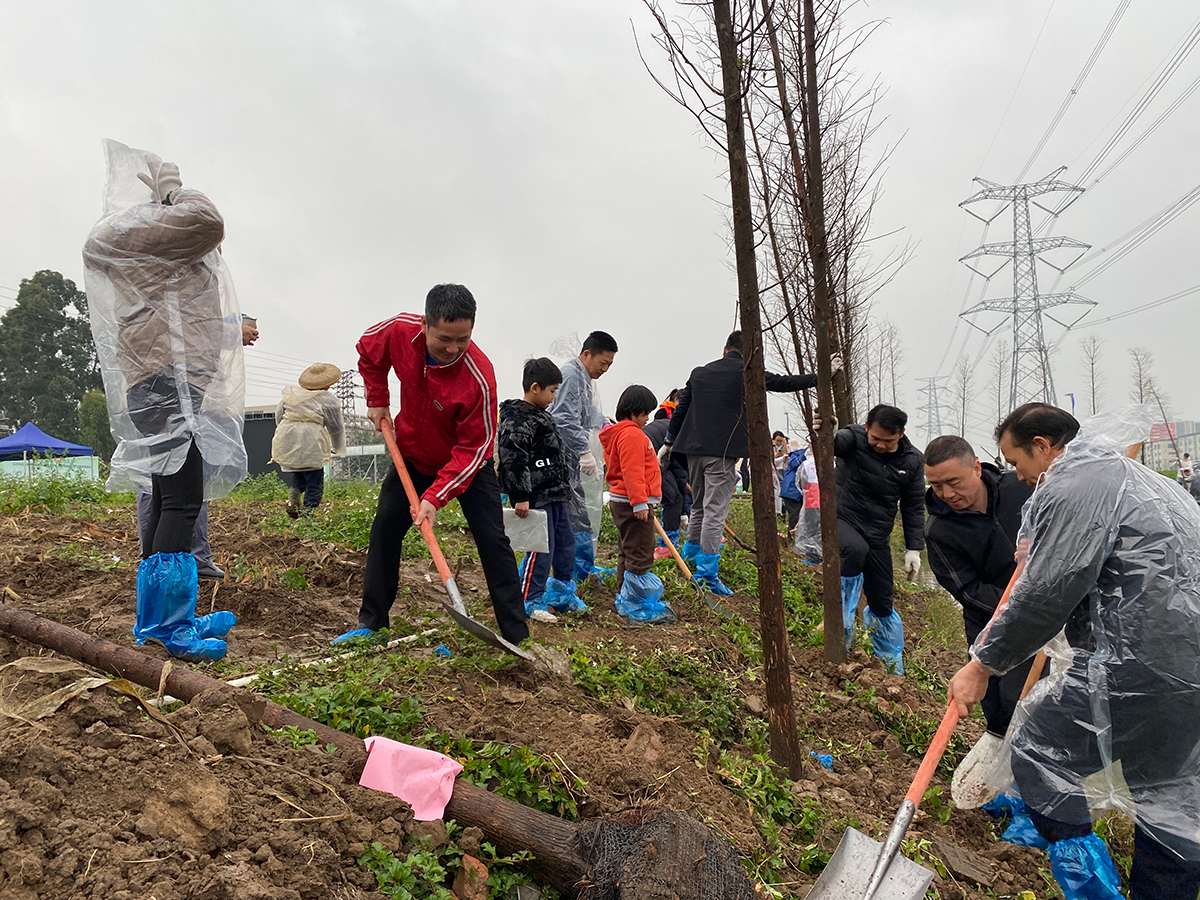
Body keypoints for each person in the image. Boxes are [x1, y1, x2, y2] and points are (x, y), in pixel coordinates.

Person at [949, 403, 1200, 900]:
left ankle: (1091, 886)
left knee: (1037, 751)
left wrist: (983, 665)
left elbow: (1047, 595)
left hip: (1133, 664)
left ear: (1042, 446)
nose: (1020, 477)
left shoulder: (1074, 484)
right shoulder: (1146, 482)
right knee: (1168, 793)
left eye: (1017, 462)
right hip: (1187, 667)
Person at [83, 142, 246, 663]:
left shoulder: (117, 240)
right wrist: (175, 190)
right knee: (181, 499)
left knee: (165, 493)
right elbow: (208, 221)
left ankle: (159, 617)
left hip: (152, 383)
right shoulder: (148, 235)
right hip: (170, 380)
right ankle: (168, 627)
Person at [333, 285, 528, 647]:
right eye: (444, 339)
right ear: (425, 325)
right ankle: (372, 624)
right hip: (413, 455)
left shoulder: (479, 377)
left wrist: (435, 497)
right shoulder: (399, 331)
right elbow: (368, 351)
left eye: (463, 339)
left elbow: (475, 447)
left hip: (467, 465)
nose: (453, 348)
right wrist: (377, 398)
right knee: (385, 530)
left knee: (493, 541)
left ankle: (517, 635)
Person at [663, 330, 824, 594]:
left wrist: (669, 441)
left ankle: (690, 557)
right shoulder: (747, 372)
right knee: (715, 511)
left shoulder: (699, 373)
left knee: (700, 506)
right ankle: (706, 573)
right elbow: (783, 382)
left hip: (693, 450)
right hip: (722, 452)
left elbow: (682, 408)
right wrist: (820, 377)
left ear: (724, 349)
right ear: (750, 354)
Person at [923, 434, 1035, 737]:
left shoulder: (1020, 489)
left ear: (976, 468)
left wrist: (1045, 603)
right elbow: (969, 591)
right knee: (1004, 710)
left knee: (1046, 703)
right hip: (994, 626)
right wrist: (1023, 608)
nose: (947, 494)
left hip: (1050, 612)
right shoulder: (939, 531)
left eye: (953, 482)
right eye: (936, 485)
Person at [820, 404, 924, 673]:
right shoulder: (854, 438)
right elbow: (834, 445)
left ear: (901, 434)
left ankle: (889, 660)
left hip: (878, 531)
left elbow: (913, 506)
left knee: (882, 595)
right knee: (855, 550)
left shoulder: (912, 461)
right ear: (867, 427)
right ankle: (837, 627)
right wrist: (828, 433)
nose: (880, 445)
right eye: (875, 438)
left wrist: (914, 548)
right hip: (842, 518)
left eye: (888, 441)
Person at [497, 357, 585, 623]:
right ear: (535, 388)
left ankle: (561, 591)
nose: (554, 396)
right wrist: (521, 496)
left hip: (556, 493)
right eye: (552, 391)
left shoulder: (543, 416)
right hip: (537, 496)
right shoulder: (517, 419)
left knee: (565, 543)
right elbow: (513, 459)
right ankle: (530, 599)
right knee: (541, 548)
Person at [600, 385, 673, 623]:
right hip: (633, 503)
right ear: (633, 412)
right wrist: (640, 503)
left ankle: (625, 596)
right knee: (641, 552)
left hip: (623, 501)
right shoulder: (631, 435)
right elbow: (632, 471)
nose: (647, 419)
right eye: (645, 414)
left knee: (628, 550)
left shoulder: (621, 433)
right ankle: (636, 604)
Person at [548, 331, 618, 580]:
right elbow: (563, 418)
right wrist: (584, 450)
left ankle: (581, 567)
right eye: (603, 363)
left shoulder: (584, 379)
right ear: (587, 354)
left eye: (609, 365)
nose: (605, 369)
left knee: (576, 512)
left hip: (569, 458)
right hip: (561, 457)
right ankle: (574, 570)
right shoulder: (571, 375)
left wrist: (606, 424)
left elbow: (586, 413)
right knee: (572, 514)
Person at [270, 362, 347, 518]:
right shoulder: (328, 399)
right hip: (311, 437)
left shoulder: (291, 394)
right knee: (314, 477)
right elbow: (336, 426)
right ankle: (308, 512)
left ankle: (294, 494)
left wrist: (285, 435)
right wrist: (338, 447)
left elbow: (279, 416)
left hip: (287, 433)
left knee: (299, 471)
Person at [642, 391, 689, 560]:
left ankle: (667, 542)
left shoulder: (667, 424)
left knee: (672, 497)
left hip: (648, 455)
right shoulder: (679, 435)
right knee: (673, 499)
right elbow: (679, 473)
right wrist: (683, 512)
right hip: (648, 458)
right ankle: (667, 547)